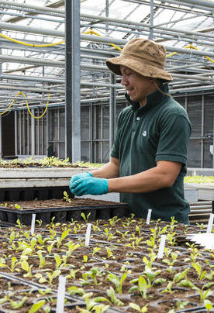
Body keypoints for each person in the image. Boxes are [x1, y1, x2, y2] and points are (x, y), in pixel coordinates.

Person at [69, 38, 191, 223]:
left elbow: (164, 175)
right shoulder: (127, 115)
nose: (123, 81)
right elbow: (116, 166)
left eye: (129, 74)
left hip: (166, 222)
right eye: (122, 75)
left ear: (150, 75)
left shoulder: (172, 115)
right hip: (130, 219)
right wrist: (90, 176)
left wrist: (105, 185)